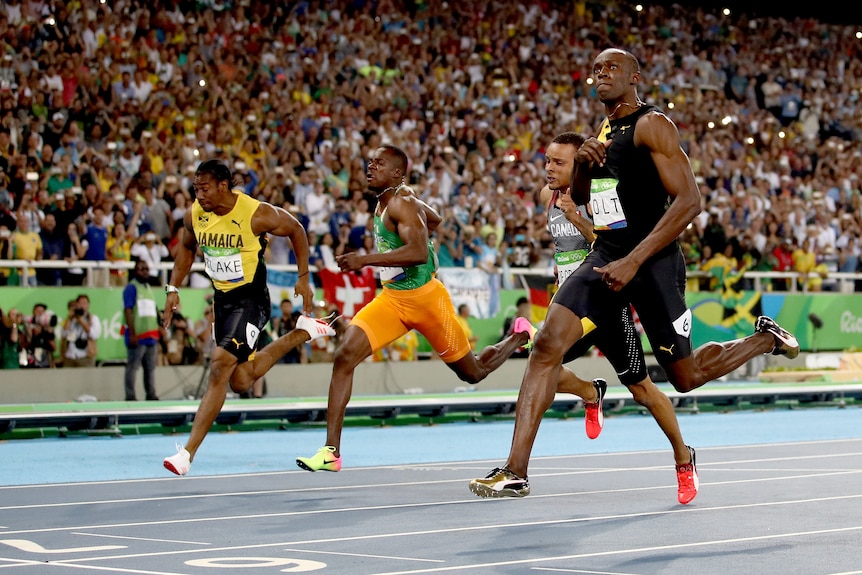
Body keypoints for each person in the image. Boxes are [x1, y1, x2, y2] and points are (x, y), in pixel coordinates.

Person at [470, 48, 799, 501]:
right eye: (596, 69)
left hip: (653, 263)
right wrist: (584, 165)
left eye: (612, 68)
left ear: (634, 76)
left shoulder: (652, 125)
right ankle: (515, 471)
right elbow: (586, 196)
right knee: (546, 345)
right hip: (606, 255)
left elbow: (689, 202)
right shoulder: (603, 131)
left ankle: (764, 339)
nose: (602, 74)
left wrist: (635, 260)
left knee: (684, 377)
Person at [471, 131, 697, 504]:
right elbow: (564, 251)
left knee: (643, 390)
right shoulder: (548, 197)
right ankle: (589, 393)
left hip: (607, 302)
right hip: (575, 303)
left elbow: (613, 247)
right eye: (547, 161)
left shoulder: (600, 196)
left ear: (582, 165)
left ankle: (682, 456)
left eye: (558, 163)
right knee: (543, 360)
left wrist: (578, 218)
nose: (548, 169)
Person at [296, 145, 533, 473]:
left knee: (473, 372)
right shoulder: (390, 201)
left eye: (378, 164)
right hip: (392, 300)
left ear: (397, 173)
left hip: (427, 301)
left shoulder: (401, 201)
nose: (370, 166)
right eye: (370, 161)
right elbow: (434, 219)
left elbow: (420, 251)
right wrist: (415, 227)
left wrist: (364, 260)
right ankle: (331, 452)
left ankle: (517, 337)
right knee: (344, 356)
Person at [161, 159, 337, 476]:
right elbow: (187, 247)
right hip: (223, 303)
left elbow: (296, 229)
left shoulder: (255, 213)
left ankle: (186, 453)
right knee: (240, 381)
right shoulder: (195, 214)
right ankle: (302, 333)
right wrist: (174, 286)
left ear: (223, 186)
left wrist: (303, 276)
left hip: (252, 300)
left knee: (218, 367)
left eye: (204, 188)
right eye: (195, 188)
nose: (198, 195)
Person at [123, 260, 160, 401]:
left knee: (150, 368)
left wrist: (160, 325)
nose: (145, 271)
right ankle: (130, 396)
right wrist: (132, 333)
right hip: (137, 335)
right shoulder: (132, 288)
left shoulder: (149, 288)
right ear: (135, 271)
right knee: (133, 367)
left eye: (147, 268)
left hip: (151, 335)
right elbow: (128, 310)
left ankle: (151, 394)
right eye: (141, 269)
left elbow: (154, 310)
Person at [60, 294, 101, 367]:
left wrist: (82, 322)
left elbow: (94, 335)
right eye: (80, 303)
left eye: (84, 303)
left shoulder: (93, 318)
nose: (82, 305)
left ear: (88, 305)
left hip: (85, 356)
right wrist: (69, 318)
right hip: (70, 355)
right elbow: (63, 334)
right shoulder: (71, 318)